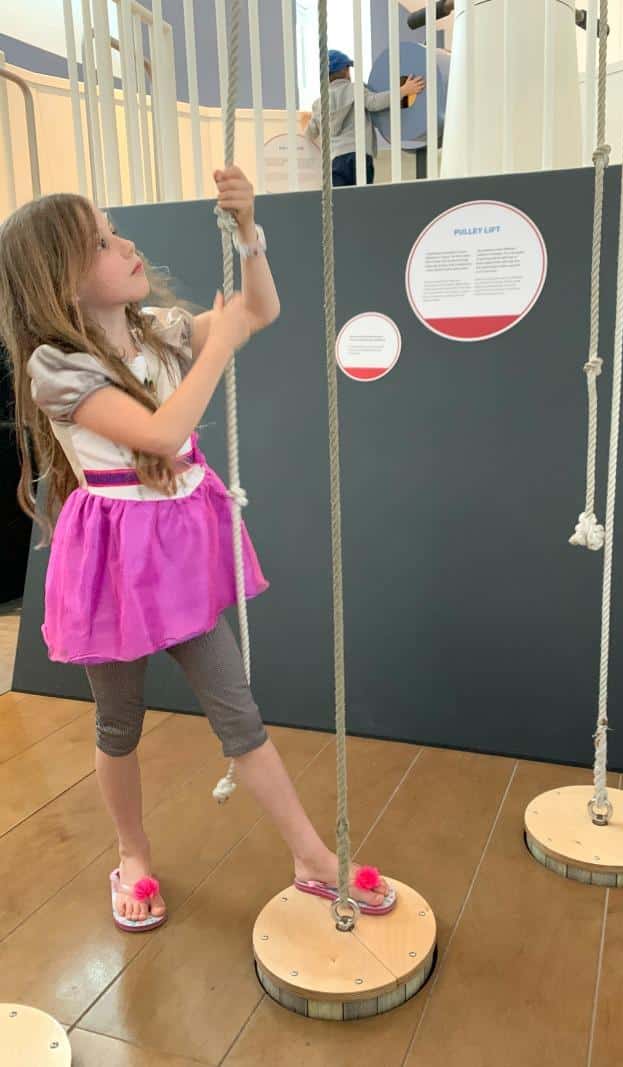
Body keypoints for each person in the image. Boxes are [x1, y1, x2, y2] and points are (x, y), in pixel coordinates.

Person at [0, 166, 394, 932]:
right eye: (104, 242)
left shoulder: (155, 329)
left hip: (175, 549)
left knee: (237, 711)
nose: (127, 244)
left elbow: (260, 307)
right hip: (116, 560)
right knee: (118, 723)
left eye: (114, 230)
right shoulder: (58, 365)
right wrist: (223, 346)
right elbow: (158, 432)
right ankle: (133, 853)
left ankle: (312, 856)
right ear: (64, 279)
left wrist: (248, 233)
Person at [304, 49, 425, 186]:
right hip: (360, 156)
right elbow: (375, 102)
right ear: (346, 71)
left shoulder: (319, 103)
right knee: (362, 199)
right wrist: (404, 90)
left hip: (336, 159)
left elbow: (310, 132)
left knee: (339, 201)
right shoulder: (356, 89)